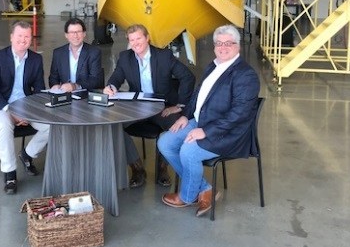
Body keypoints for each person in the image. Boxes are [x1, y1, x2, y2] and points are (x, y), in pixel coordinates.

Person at [158, 24, 260, 217]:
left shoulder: (245, 75)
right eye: (219, 43)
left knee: (188, 151)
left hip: (227, 133)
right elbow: (197, 98)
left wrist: (206, 131)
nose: (223, 47)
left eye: (228, 43)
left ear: (238, 46)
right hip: (201, 122)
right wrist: (184, 116)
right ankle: (204, 188)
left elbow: (240, 113)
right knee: (165, 142)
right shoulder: (213, 66)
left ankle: (187, 197)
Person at [103, 24, 195, 188]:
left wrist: (180, 105)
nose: (136, 43)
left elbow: (188, 77)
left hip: (163, 107)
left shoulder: (164, 56)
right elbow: (116, 77)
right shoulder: (125, 57)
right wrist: (111, 87)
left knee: (178, 127)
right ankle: (137, 167)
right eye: (132, 40)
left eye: (139, 38)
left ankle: (162, 168)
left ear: (147, 38)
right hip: (137, 106)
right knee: (112, 126)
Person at [0, 20, 49, 195]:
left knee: (51, 125)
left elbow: (39, 90)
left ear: (31, 39)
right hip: (1, 106)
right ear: (11, 37)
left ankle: (27, 155)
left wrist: (30, 111)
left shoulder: (36, 59)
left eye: (27, 37)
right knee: (4, 125)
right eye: (19, 36)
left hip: (26, 107)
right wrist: (11, 111)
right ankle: (9, 173)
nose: (23, 40)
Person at [48, 17, 104, 91]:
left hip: (85, 95)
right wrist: (56, 86)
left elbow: (96, 80)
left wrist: (75, 86)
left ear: (84, 34)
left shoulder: (94, 52)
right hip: (65, 95)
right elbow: (53, 78)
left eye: (78, 32)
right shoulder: (58, 53)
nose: (75, 35)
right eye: (71, 32)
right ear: (66, 35)